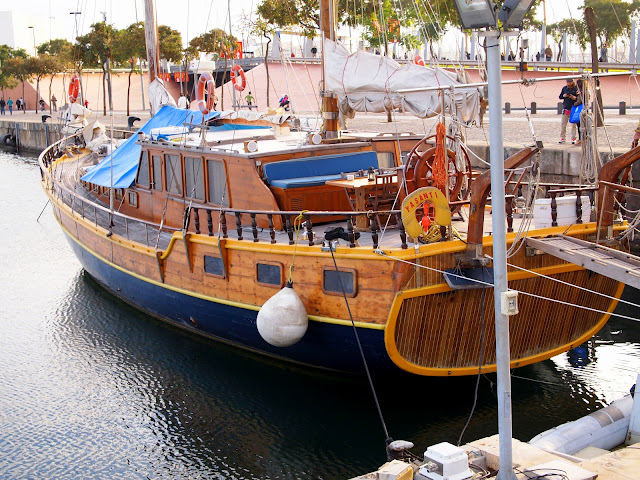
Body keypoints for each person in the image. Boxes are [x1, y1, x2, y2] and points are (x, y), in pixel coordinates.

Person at [559, 78, 578, 144]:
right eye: (568, 82)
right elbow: (560, 97)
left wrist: (574, 97)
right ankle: (562, 137)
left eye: (570, 82)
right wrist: (564, 96)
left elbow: (579, 98)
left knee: (573, 125)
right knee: (563, 124)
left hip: (573, 108)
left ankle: (573, 138)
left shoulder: (576, 88)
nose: (569, 84)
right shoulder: (564, 88)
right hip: (566, 108)